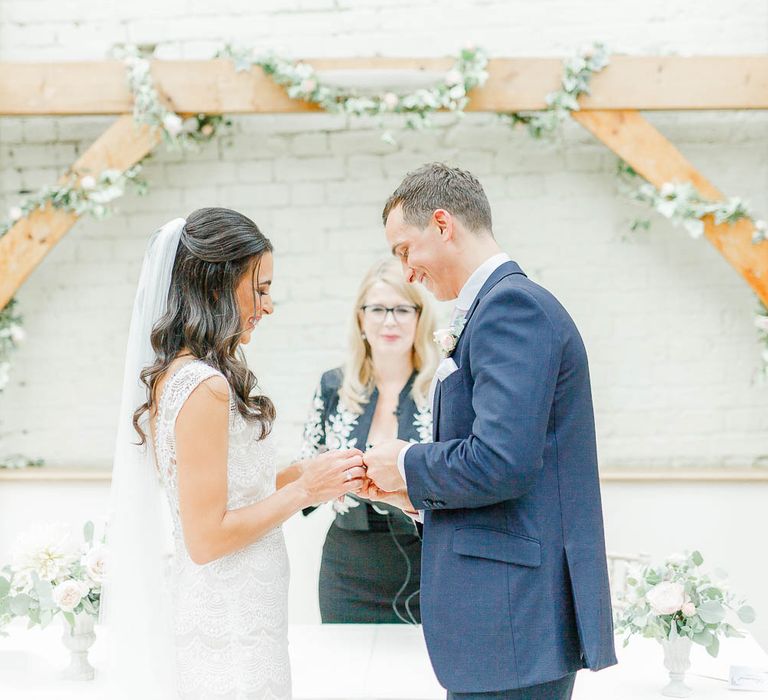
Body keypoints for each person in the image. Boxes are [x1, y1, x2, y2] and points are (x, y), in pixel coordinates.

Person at [362, 164, 617, 700]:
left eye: (406, 250)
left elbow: (502, 461)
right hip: (509, 620)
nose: (407, 272)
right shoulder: (492, 307)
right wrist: (414, 494)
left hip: (513, 617)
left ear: (442, 223)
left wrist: (407, 461)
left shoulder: (510, 307)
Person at [104, 208, 365, 699]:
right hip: (229, 618)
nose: (268, 305)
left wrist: (307, 474)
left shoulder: (186, 374)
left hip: (243, 609)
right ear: (217, 284)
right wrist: (307, 490)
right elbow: (207, 536)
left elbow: (236, 492)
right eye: (260, 288)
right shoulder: (203, 385)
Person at [298, 258, 438, 623]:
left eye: (402, 309)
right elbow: (307, 473)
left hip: (431, 565)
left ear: (419, 318)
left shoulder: (443, 389)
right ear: (361, 318)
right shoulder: (332, 387)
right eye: (377, 309)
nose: (389, 320)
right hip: (348, 570)